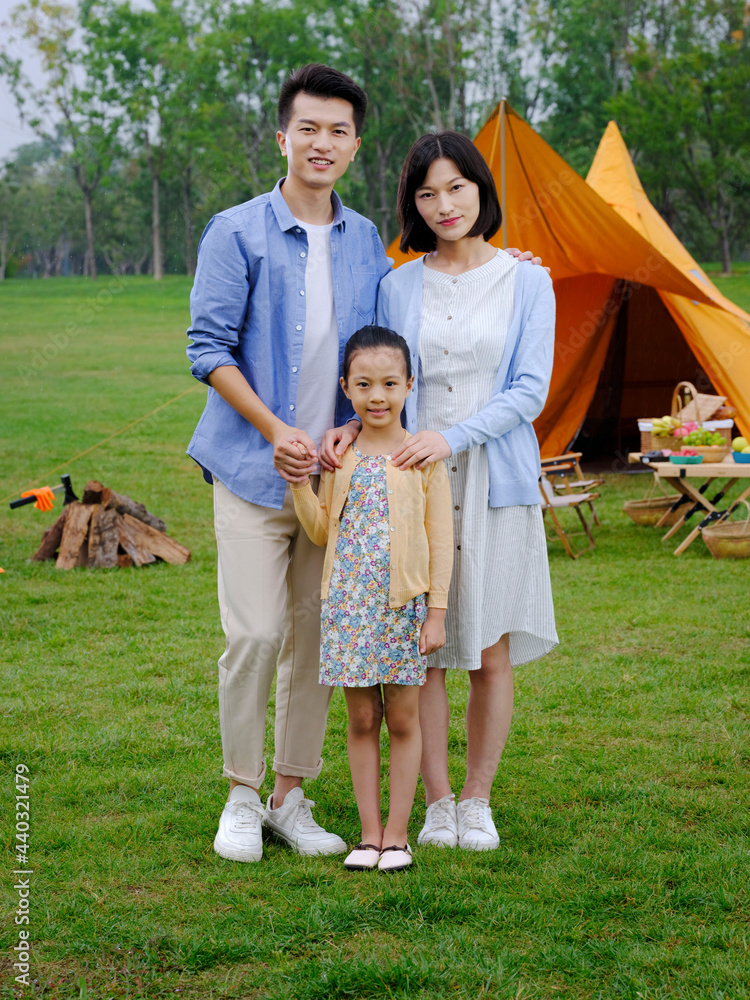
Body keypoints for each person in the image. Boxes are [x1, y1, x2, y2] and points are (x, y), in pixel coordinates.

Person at [321, 131, 558, 852]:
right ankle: (436, 800)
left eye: (457, 187)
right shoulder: (398, 284)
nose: (444, 204)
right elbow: (378, 375)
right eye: (428, 193)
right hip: (407, 487)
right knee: (418, 649)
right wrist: (350, 433)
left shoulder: (527, 280)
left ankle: (478, 800)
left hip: (494, 474)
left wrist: (453, 438)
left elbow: (529, 389)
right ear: (413, 205)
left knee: (487, 647)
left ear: (481, 190)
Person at [186, 64, 391, 862]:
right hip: (249, 466)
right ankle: (241, 792)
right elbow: (208, 348)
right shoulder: (234, 230)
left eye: (338, 130)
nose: (323, 142)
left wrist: (345, 429)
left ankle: (289, 797)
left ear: (354, 146)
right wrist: (275, 429)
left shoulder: (367, 238)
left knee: (316, 638)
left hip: (331, 481)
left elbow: (372, 354)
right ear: (283, 136)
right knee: (256, 633)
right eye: (309, 127)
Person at [289, 326, 453, 871]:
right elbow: (319, 532)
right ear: (346, 388)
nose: (377, 395)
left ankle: (399, 837)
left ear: (409, 385)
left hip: (404, 610)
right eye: (363, 384)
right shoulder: (341, 457)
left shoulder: (423, 457)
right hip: (349, 610)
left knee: (403, 720)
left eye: (389, 383)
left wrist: (436, 614)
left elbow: (438, 543)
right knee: (362, 720)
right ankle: (369, 835)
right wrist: (298, 485)